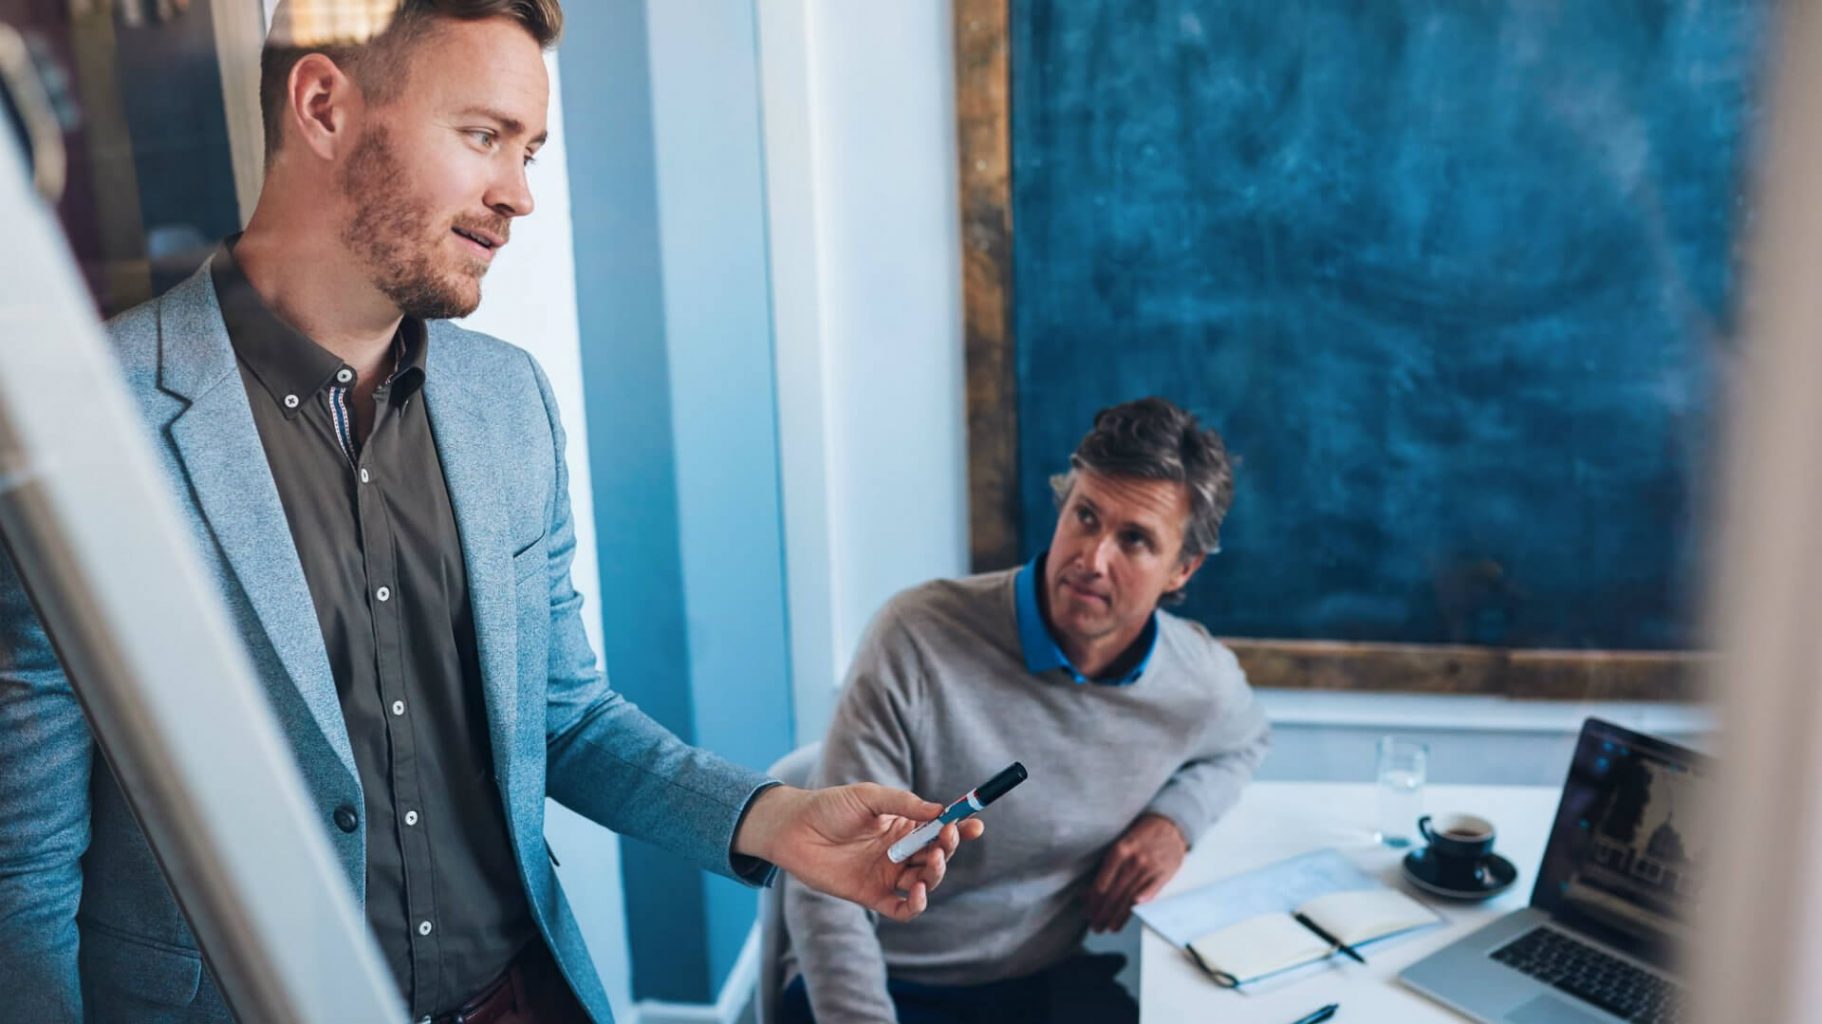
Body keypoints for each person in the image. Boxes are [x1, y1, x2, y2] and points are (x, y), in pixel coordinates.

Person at [0, 3, 977, 1022]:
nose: (517, 195)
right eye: (483, 137)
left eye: (530, 152)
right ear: (324, 106)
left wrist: (777, 818)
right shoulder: (89, 426)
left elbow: (564, 714)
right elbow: (22, 869)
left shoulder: (510, 403)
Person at [781, 397, 1271, 1024]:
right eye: (1086, 516)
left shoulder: (1197, 677)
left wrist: (1174, 823)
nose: (1093, 559)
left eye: (1134, 540)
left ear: (1182, 569)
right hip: (885, 979)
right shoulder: (917, 635)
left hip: (1041, 982)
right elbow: (828, 888)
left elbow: (1245, 741)